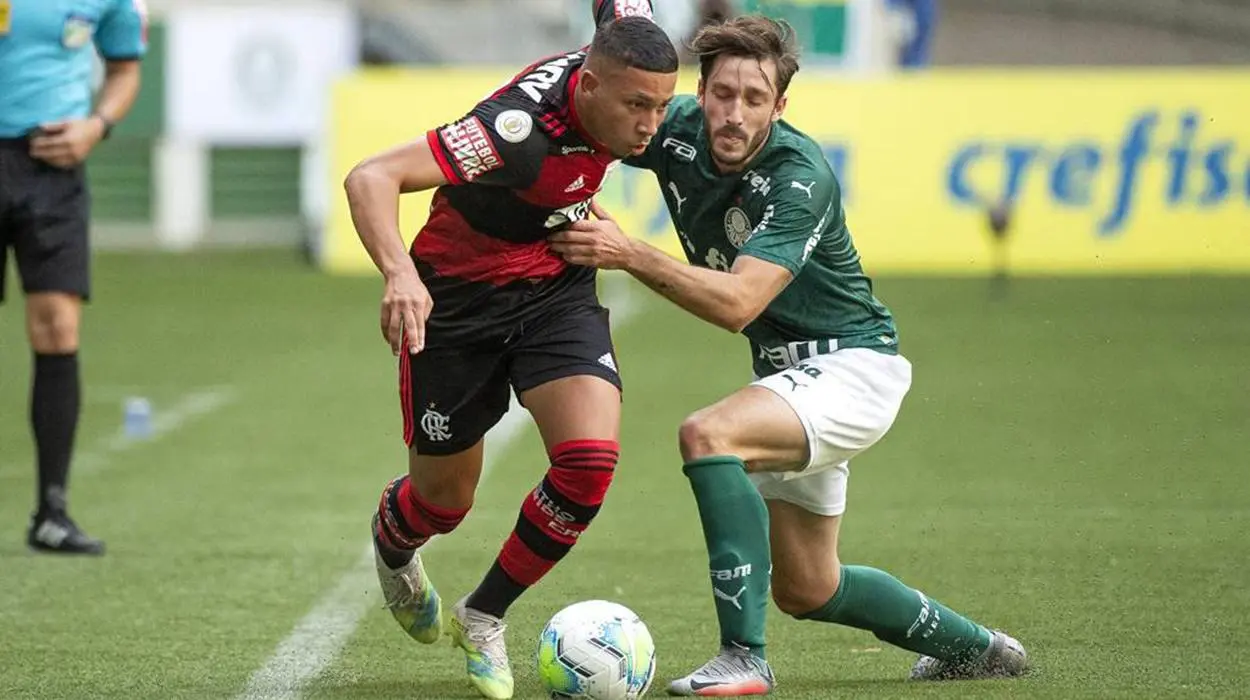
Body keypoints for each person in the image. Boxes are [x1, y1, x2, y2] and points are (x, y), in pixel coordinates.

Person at [550, 15, 1029, 696]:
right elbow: (589, 122)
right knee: (809, 587)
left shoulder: (800, 177)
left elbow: (740, 303)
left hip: (854, 368)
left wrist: (629, 252)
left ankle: (743, 657)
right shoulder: (677, 127)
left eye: (754, 99)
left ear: (780, 106)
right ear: (702, 92)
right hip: (789, 376)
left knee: (708, 435)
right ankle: (978, 649)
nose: (735, 113)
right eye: (723, 94)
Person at [341, 5, 678, 699]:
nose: (651, 124)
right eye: (636, 105)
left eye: (663, 105)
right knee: (443, 503)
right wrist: (400, 275)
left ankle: (484, 612)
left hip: (554, 287)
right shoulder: (512, 136)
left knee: (589, 465)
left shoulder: (619, 48)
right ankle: (394, 541)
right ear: (587, 85)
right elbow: (370, 177)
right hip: (456, 307)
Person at [1, 0, 147, 555]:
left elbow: (124, 68)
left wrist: (97, 125)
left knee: (58, 328)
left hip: (53, 169)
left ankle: (52, 512)